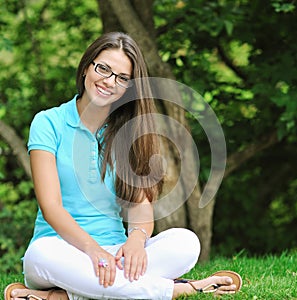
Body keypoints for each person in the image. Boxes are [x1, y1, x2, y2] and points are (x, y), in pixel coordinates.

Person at [4, 32, 242, 300]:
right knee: (40, 254)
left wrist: (136, 241)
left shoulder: (129, 133)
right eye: (103, 68)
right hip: (61, 252)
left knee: (186, 243)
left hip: (116, 254)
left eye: (122, 78)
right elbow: (51, 207)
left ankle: (63, 297)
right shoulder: (48, 123)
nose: (109, 81)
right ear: (86, 68)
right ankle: (181, 289)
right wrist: (93, 251)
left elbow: (140, 205)